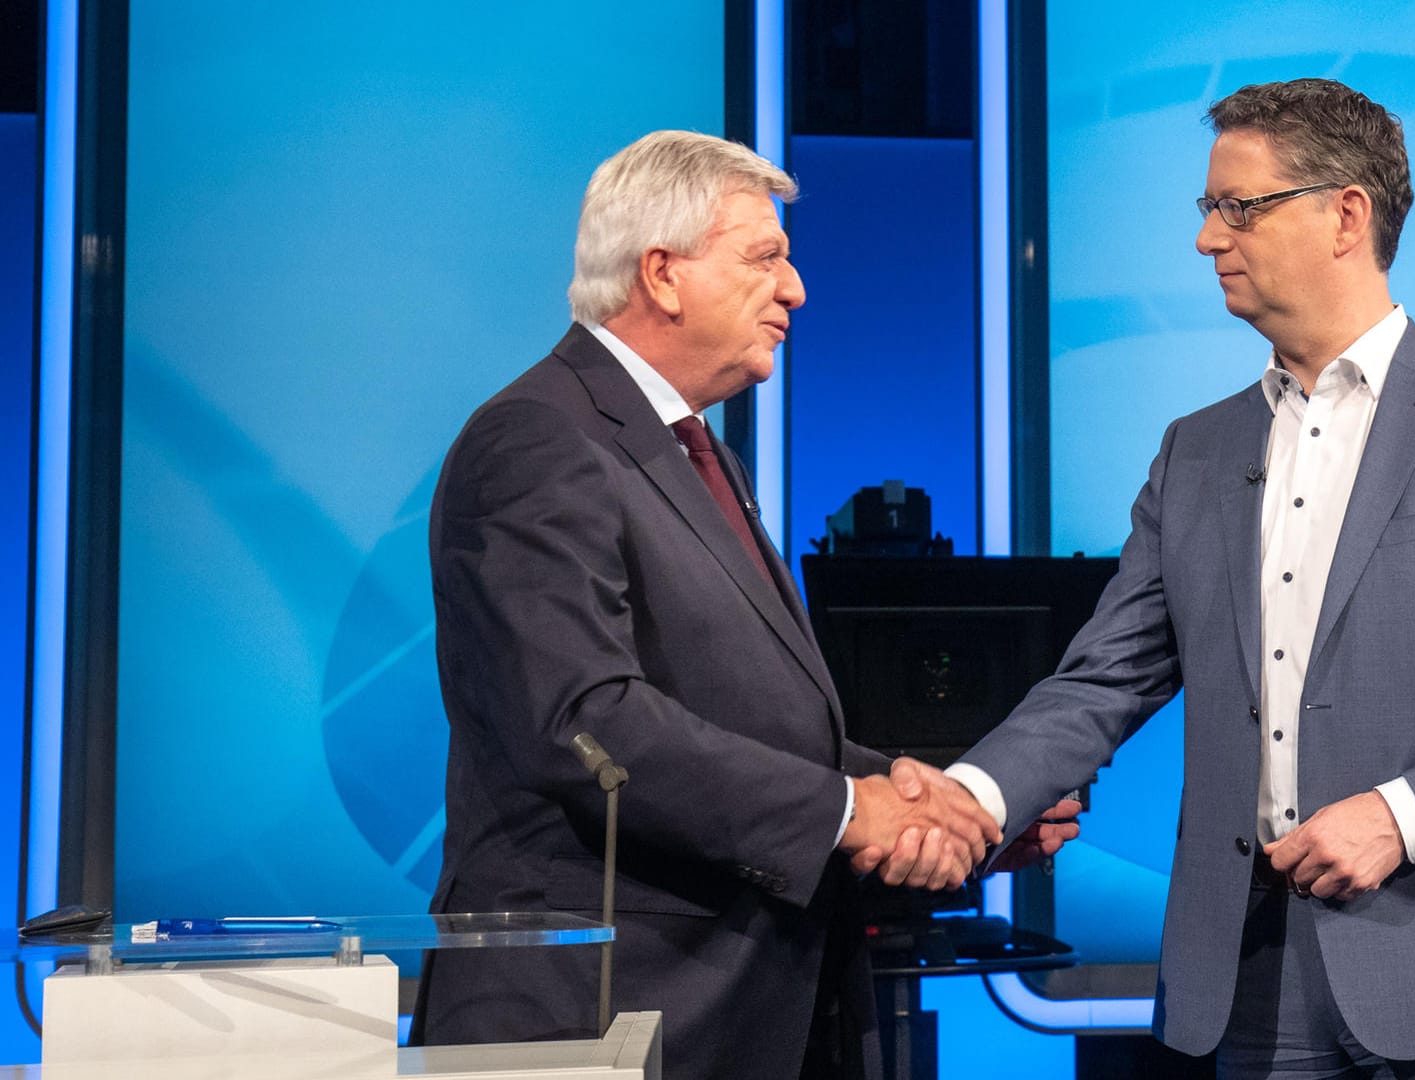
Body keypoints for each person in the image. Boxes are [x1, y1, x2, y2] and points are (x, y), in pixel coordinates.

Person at [910, 78, 1415, 1078]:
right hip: (1255, 986)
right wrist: (969, 799)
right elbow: (1102, 680)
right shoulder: (1197, 451)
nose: (1208, 240)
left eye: (1239, 208)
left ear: (1346, 213)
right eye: (1206, 211)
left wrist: (1400, 815)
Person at [411, 130, 1022, 1080]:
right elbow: (583, 722)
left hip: (741, 1006)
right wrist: (847, 811)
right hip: (599, 1011)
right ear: (662, 274)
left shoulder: (697, 453)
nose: (796, 290)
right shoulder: (537, 438)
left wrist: (925, 794)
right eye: (765, 258)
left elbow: (740, 713)